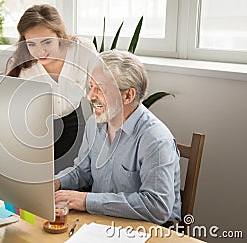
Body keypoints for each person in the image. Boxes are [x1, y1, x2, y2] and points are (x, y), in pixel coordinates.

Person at [54, 49, 181, 226]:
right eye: (91, 86)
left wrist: (87, 201)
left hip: (150, 230)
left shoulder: (156, 140)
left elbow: (157, 207)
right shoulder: (94, 124)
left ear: (128, 95)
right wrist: (56, 182)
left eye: (100, 89)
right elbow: (82, 171)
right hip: (102, 221)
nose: (90, 97)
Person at [5, 4, 99, 173]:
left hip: (74, 123)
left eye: (47, 42)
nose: (40, 51)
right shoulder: (21, 66)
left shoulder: (82, 49)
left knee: (74, 179)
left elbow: (102, 87)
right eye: (31, 44)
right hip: (37, 130)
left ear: (60, 35)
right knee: (41, 184)